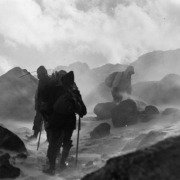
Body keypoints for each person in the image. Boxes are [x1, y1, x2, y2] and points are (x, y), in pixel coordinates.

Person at [42, 71, 87, 175]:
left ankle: (52, 168)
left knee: (53, 143)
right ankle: (62, 163)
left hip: (56, 120)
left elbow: (49, 107)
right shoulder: (75, 92)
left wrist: (49, 118)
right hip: (69, 122)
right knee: (66, 142)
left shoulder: (56, 90)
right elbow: (83, 111)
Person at [27, 66, 52, 141]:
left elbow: (42, 94)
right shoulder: (46, 80)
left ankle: (38, 137)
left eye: (38, 73)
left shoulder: (44, 80)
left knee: (42, 121)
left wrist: (40, 104)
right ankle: (47, 138)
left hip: (44, 105)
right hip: (44, 105)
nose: (38, 75)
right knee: (44, 121)